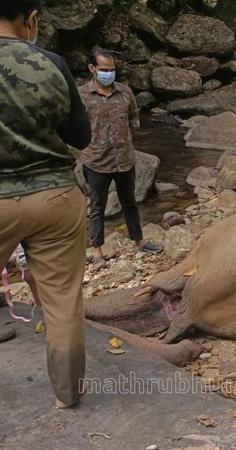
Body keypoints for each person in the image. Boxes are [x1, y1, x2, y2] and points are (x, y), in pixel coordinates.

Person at [0, 0, 92, 408]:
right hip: (54, 197)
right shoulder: (50, 61)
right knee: (62, 302)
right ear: (30, 18)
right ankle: (68, 395)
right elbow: (81, 136)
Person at [79, 48, 161, 263]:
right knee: (97, 206)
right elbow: (75, 127)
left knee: (130, 202)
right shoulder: (82, 96)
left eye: (112, 69)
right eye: (104, 69)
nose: (109, 73)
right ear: (92, 69)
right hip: (96, 160)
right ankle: (96, 249)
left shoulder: (125, 92)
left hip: (124, 158)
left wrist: (126, 136)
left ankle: (139, 241)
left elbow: (134, 119)